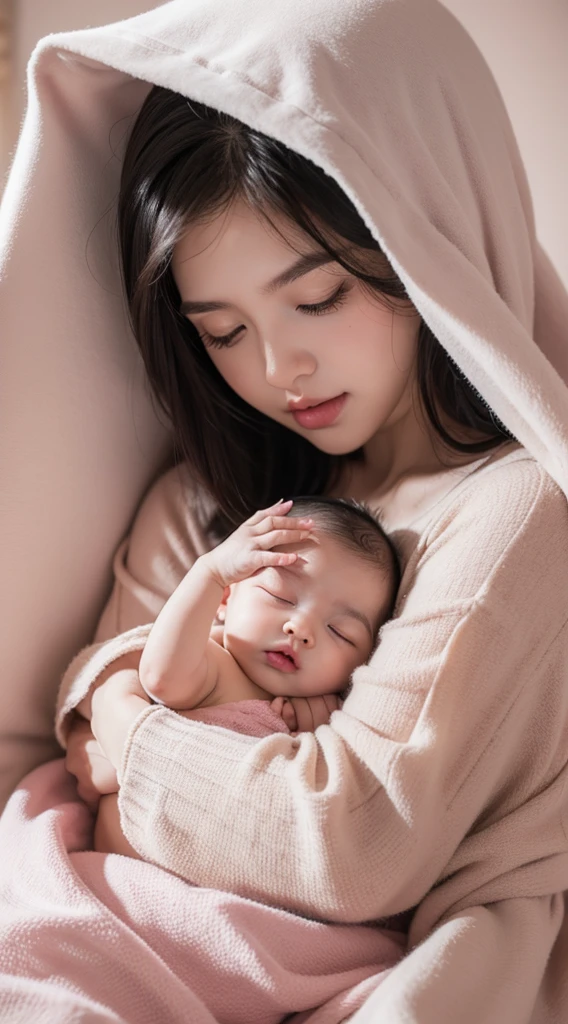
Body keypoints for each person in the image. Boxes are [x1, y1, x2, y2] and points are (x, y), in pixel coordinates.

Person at [2, 0, 568, 1021]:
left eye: (316, 299)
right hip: (103, 925)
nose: (277, 368)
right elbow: (78, 697)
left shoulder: (515, 509)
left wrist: (131, 730)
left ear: (425, 236)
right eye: (222, 330)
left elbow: (346, 847)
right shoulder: (213, 493)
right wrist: (113, 709)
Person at [83, 495, 400, 857]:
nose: (300, 628)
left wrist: (314, 735)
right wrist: (209, 574)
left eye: (339, 632)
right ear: (224, 600)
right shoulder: (214, 665)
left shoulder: (336, 717)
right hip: (128, 868)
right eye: (279, 595)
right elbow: (160, 679)